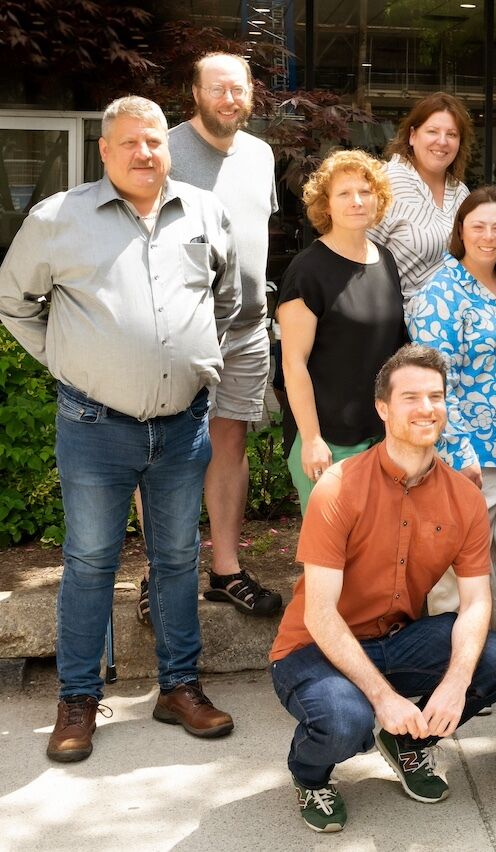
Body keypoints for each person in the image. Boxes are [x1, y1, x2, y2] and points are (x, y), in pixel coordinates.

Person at [0, 95, 241, 762]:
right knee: (89, 563)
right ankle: (77, 700)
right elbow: (12, 301)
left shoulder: (204, 211)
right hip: (95, 426)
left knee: (175, 560)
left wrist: (197, 360)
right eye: (130, 142)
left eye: (155, 141)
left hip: (183, 426)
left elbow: (229, 298)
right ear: (104, 151)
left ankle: (179, 687)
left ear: (169, 146)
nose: (145, 152)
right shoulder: (58, 219)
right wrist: (66, 357)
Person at [269, 345, 496, 833]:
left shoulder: (465, 498)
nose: (426, 408)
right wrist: (384, 699)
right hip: (313, 648)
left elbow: (476, 603)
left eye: (436, 396)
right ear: (383, 408)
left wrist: (453, 686)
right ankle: (309, 775)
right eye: (411, 397)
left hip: (396, 639)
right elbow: (321, 615)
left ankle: (411, 744)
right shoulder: (339, 488)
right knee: (347, 720)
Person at [162, 51, 282, 620]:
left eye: (238, 89)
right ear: (195, 93)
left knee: (230, 444)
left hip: (249, 329)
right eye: (218, 89)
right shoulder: (162, 148)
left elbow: (257, 233)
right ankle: (161, 573)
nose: (229, 99)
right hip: (179, 332)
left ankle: (226, 569)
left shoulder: (260, 154)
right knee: (164, 451)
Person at [405, 187, 496, 622]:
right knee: (460, 580)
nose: (489, 236)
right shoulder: (443, 291)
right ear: (460, 230)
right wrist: (459, 452)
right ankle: (454, 677)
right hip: (471, 459)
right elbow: (435, 384)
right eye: (478, 225)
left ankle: (489, 673)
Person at [277, 149, 408, 512]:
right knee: (329, 560)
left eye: (365, 191)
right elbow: (293, 364)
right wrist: (312, 439)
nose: (356, 201)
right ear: (326, 204)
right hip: (326, 438)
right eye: (344, 193)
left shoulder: (385, 259)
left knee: (373, 553)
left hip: (379, 436)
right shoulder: (308, 271)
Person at [370, 91, 473, 305]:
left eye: (452, 134)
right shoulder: (384, 183)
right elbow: (356, 253)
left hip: (451, 322)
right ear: (412, 135)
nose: (442, 141)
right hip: (394, 321)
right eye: (432, 131)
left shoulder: (461, 192)